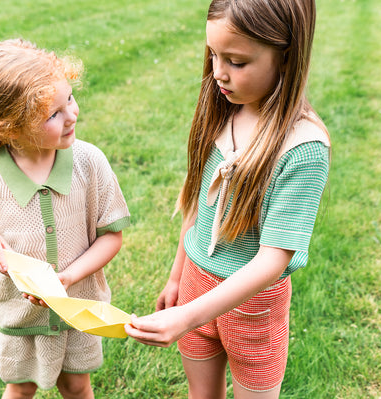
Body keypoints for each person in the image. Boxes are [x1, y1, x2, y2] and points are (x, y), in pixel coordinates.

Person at [125, 0, 330, 397]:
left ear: (286, 57)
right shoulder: (222, 110)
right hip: (194, 285)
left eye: (236, 61)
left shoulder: (303, 148)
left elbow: (274, 258)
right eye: (213, 54)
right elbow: (198, 207)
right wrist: (176, 279)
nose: (218, 72)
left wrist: (188, 315)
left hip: (254, 308)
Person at [0, 39, 130, 399]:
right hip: (19, 315)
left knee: (77, 385)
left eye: (70, 99)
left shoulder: (89, 162)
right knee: (21, 388)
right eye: (54, 114)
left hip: (78, 311)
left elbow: (111, 236)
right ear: (11, 128)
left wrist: (69, 277)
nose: (72, 115)